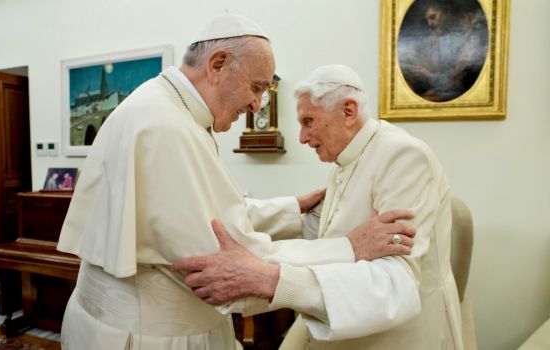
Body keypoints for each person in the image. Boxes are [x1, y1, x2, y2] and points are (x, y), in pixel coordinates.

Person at [57, 14, 416, 350]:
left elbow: (210, 215)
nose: (257, 104)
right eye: (256, 87)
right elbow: (232, 267)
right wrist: (349, 248)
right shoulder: (167, 128)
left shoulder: (160, 107)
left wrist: (293, 208)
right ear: (217, 65)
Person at [175, 64, 464, 349]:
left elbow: (394, 281)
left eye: (308, 121)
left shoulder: (403, 156)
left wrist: (272, 280)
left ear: (348, 111)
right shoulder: (346, 160)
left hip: (400, 338)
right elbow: (332, 233)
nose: (301, 137)